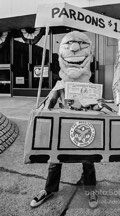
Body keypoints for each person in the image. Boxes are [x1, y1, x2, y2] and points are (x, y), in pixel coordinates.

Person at [30, 31, 99, 209]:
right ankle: (49, 189)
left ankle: (90, 188)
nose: (75, 48)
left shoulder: (90, 89)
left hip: (82, 132)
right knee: (54, 161)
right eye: (69, 45)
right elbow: (46, 109)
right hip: (60, 134)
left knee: (88, 160)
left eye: (80, 45)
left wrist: (98, 106)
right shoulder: (59, 87)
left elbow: (98, 111)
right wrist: (42, 106)